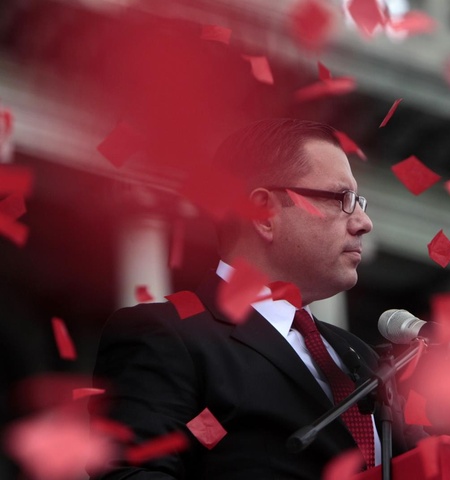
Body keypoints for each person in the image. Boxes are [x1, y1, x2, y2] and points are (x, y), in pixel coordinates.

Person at [90, 118, 424, 479]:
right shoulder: (165, 335)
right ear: (264, 212)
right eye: (341, 199)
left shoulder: (361, 357)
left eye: (359, 201)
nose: (363, 222)